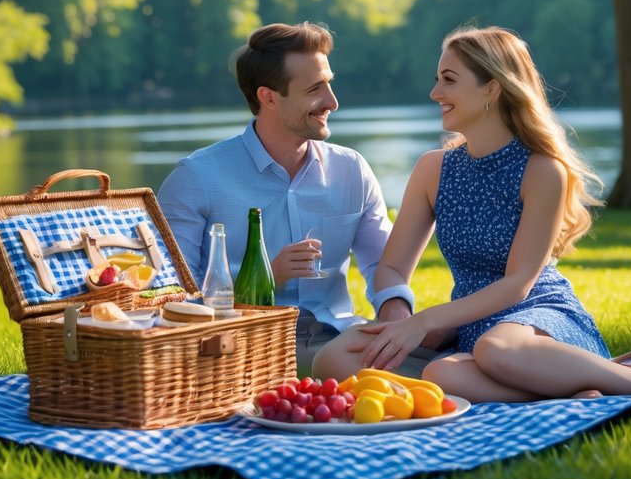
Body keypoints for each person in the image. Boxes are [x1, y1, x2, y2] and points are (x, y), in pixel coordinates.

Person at [312, 26, 631, 401]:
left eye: (449, 80)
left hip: (538, 320)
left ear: (492, 88)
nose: (436, 92)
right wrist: (400, 320)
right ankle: (563, 388)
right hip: (468, 329)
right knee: (342, 358)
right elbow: (392, 270)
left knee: (495, 349)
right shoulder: (432, 170)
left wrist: (427, 321)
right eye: (438, 79)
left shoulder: (543, 170)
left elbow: (518, 285)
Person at [158, 22, 446, 376]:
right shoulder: (196, 178)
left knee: (456, 360)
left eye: (329, 83)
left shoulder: (350, 169)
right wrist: (266, 277)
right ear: (269, 98)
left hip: (342, 336)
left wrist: (395, 315)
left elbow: (384, 266)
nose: (332, 102)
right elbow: (171, 300)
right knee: (434, 379)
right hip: (246, 348)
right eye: (315, 89)